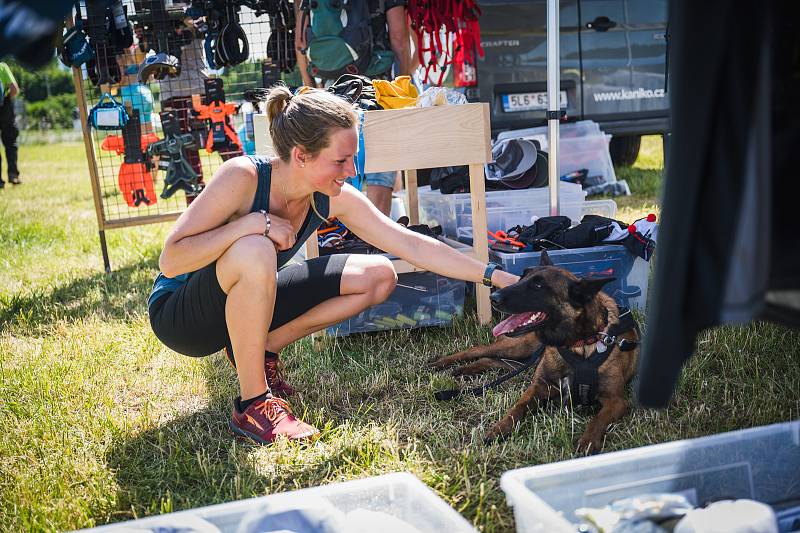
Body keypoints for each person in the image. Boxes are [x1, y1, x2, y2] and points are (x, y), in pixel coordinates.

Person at [148, 86, 519, 445]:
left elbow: (408, 243)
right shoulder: (243, 177)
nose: (350, 170)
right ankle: (254, 404)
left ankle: (259, 348)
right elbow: (172, 257)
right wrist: (251, 224)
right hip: (182, 316)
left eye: (353, 158)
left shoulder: (329, 196)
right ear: (301, 156)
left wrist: (494, 275)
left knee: (378, 275)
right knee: (255, 248)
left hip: (244, 299)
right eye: (340, 160)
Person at [293, 0, 417, 216]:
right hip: (379, 89)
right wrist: (402, 84)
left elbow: (300, 42)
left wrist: (310, 86)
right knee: (380, 172)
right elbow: (399, 38)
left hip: (334, 90)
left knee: (342, 168)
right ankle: (376, 242)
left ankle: (344, 238)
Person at [0, 61, 20, 188]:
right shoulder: (2, 66)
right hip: (5, 108)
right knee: (10, 142)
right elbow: (14, 89)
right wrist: (5, 99)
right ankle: (13, 175)